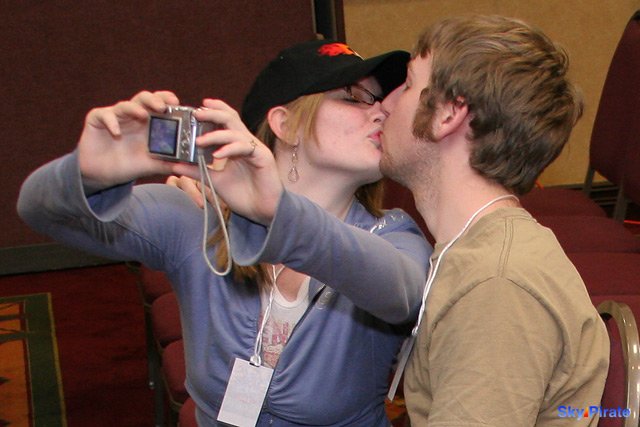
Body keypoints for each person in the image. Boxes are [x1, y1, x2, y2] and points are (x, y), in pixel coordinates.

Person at [17, 39, 431, 426]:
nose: (382, 112)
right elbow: (44, 212)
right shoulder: (200, 215)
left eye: (382, 101)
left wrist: (278, 213)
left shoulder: (391, 233)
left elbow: (404, 294)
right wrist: (89, 174)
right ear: (285, 124)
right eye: (355, 97)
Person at [376, 15, 609, 425]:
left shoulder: (494, 287)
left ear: (449, 114)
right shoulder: (474, 251)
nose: (386, 104)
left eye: (409, 84)